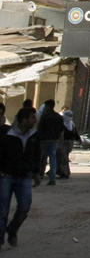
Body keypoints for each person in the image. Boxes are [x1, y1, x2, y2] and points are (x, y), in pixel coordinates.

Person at [0, 106, 40, 248]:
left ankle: (12, 230)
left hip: (25, 176)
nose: (35, 120)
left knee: (24, 206)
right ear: (24, 120)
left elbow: (37, 155)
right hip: (7, 175)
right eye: (32, 117)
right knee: (3, 209)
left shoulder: (34, 136)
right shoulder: (8, 134)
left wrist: (36, 172)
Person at [34, 99, 63, 186]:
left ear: (48, 106)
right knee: (53, 158)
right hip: (54, 140)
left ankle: (39, 175)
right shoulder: (58, 116)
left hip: (44, 140)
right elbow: (61, 129)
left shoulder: (45, 116)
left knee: (41, 158)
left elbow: (40, 128)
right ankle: (52, 178)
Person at [57, 108, 81, 179]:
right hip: (65, 143)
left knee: (63, 158)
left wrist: (78, 139)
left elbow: (75, 133)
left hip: (66, 143)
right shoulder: (64, 123)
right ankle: (61, 171)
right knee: (62, 158)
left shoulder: (70, 123)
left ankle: (65, 172)